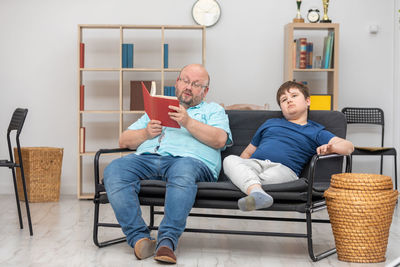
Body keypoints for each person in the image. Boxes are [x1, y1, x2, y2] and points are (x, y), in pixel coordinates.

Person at [103, 64, 232, 264]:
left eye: (196, 84)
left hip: (191, 162)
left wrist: (187, 122)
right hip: (149, 159)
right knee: (115, 169)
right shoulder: (157, 108)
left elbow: (220, 140)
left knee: (183, 169)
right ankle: (139, 238)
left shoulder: (213, 110)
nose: (189, 87)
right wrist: (146, 133)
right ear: (177, 83)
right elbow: (124, 140)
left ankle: (167, 241)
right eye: (185, 81)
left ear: (205, 91)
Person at [223, 81, 354, 212]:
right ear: (281, 108)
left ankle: (253, 189)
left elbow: (348, 146)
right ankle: (256, 193)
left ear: (307, 101)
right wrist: (238, 169)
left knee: (257, 176)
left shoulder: (316, 131)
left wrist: (331, 148)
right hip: (255, 164)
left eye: (294, 96)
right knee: (229, 160)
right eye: (284, 99)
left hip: (283, 171)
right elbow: (246, 154)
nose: (289, 101)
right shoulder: (270, 123)